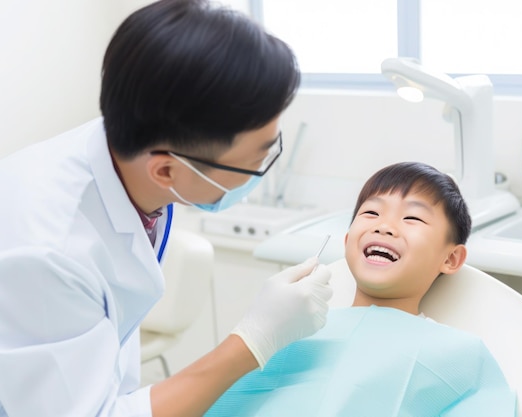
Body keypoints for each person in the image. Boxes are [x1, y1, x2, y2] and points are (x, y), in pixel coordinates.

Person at [0, 1, 332, 416]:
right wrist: (253, 341)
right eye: (254, 161)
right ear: (166, 170)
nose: (259, 173)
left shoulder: (132, 155)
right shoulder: (48, 252)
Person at [204, 161, 517, 417]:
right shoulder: (291, 331)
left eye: (412, 217)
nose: (383, 226)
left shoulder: (459, 354)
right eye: (371, 213)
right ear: (347, 240)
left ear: (450, 258)